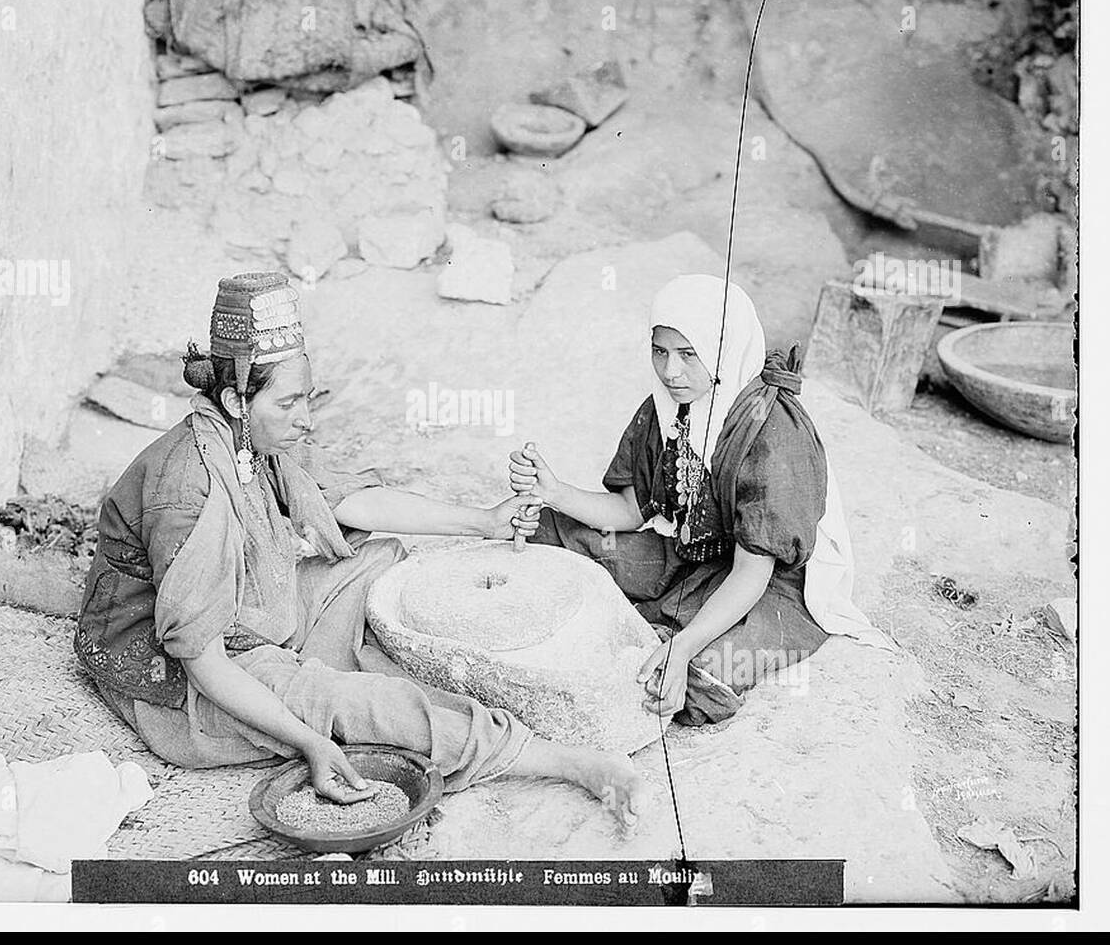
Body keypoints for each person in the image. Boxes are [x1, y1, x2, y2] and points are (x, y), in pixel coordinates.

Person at [74, 272, 649, 827]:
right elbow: (203, 658)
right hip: (178, 683)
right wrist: (309, 741)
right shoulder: (189, 490)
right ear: (235, 399)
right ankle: (568, 762)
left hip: (243, 614)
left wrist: (485, 522)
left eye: (309, 399)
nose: (305, 420)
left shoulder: (248, 435)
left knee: (379, 562)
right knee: (350, 704)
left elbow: (353, 503)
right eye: (290, 404)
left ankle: (360, 690)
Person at [509, 274, 883, 726]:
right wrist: (555, 491)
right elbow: (630, 511)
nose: (670, 371)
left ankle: (680, 638)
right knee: (554, 530)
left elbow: (753, 571)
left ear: (723, 350)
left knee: (705, 678)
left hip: (769, 585)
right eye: (660, 351)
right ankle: (669, 628)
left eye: (689, 355)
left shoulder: (771, 433)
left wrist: (683, 649)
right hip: (693, 554)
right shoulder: (666, 408)